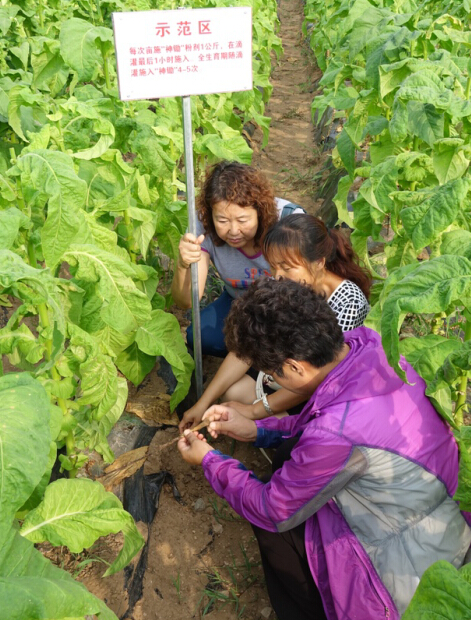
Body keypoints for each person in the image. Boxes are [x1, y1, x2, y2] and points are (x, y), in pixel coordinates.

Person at [177, 278, 471, 620]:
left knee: (274, 524)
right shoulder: (372, 350)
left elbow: (274, 509)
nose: (274, 380)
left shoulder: (335, 432)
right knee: (290, 460)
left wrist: (210, 460)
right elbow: (326, 422)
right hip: (444, 523)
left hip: (405, 580)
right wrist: (256, 429)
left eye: (273, 373)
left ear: (295, 367)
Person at [179, 214, 371, 432]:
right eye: (273, 266)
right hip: (289, 374)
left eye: (287, 267)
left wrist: (255, 411)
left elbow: (319, 377)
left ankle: (287, 433)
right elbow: (250, 345)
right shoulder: (284, 287)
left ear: (318, 263)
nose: (278, 276)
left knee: (266, 419)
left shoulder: (349, 303)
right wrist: (202, 403)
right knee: (233, 395)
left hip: (324, 387)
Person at [171, 160, 304, 358]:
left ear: (260, 211)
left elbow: (311, 286)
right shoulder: (202, 226)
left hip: (288, 309)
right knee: (200, 337)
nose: (233, 231)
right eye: (222, 221)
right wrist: (183, 265)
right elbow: (187, 301)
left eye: (243, 220)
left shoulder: (289, 220)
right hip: (239, 302)